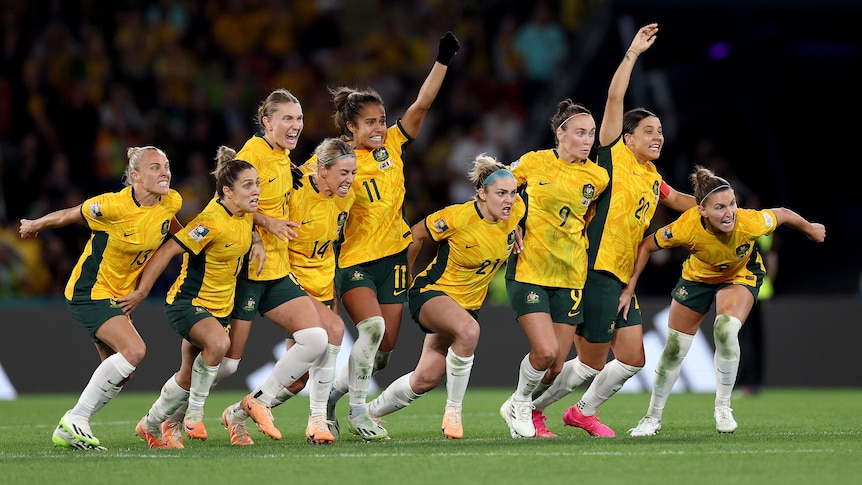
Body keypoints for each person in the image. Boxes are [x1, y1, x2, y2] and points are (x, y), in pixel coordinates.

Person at [527, 23, 697, 438]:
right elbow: (615, 96)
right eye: (649, 131)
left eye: (660, 131)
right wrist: (633, 54)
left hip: (623, 274)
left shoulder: (652, 176)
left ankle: (581, 412)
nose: (658, 136)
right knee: (590, 361)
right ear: (627, 137)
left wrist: (726, 209)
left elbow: (682, 203)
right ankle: (528, 407)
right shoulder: (610, 156)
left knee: (633, 358)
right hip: (594, 269)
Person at [323, 31, 461, 440]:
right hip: (355, 261)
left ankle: (334, 394)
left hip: (394, 261)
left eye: (382, 120)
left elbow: (422, 104)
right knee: (372, 331)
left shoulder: (393, 146)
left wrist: (442, 61)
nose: (381, 128)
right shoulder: (335, 159)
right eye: (371, 123)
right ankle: (358, 413)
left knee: (382, 353)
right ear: (350, 126)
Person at [625, 165, 825, 435]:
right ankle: (652, 417)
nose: (729, 212)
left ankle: (722, 407)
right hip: (698, 278)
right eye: (719, 208)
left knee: (726, 329)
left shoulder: (749, 221)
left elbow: (783, 214)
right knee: (674, 347)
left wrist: (809, 227)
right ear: (702, 211)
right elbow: (648, 244)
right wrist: (629, 288)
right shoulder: (686, 227)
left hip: (739, 275)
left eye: (731, 204)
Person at [18, 146, 182, 450]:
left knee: (123, 373)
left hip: (118, 296)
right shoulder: (112, 206)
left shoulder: (171, 200)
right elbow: (70, 214)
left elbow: (170, 225)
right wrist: (35, 224)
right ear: (135, 176)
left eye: (167, 166)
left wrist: (185, 244)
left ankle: (69, 430)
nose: (165, 173)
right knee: (134, 350)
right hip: (89, 290)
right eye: (155, 168)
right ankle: (76, 417)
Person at [367, 154, 525, 439]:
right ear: (481, 193)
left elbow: (518, 217)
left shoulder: (515, 211)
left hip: (467, 304)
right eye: (501, 193)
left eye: (512, 193)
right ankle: (453, 412)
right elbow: (415, 234)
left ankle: (368, 413)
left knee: (425, 378)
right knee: (469, 331)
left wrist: (518, 229)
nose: (509, 200)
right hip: (433, 292)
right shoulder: (457, 217)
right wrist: (406, 276)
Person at [119, 146, 263, 449]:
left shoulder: (244, 214)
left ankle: (151, 423)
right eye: (248, 185)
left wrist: (260, 239)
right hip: (187, 304)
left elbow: (249, 225)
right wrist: (143, 291)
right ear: (227, 192)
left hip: (220, 309)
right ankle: (194, 414)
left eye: (257, 184)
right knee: (220, 345)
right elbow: (170, 248)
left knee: (187, 375)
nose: (256, 192)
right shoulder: (209, 221)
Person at [219, 138, 358, 446]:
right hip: (288, 281)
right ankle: (317, 421)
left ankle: (238, 413)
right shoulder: (295, 191)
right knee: (333, 330)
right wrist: (256, 237)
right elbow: (251, 208)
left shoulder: (345, 197)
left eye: (353, 173)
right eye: (344, 173)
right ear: (322, 170)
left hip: (321, 287)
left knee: (296, 382)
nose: (350, 180)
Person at [215, 88, 330, 446]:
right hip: (249, 271)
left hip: (278, 270)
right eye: (287, 119)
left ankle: (250, 406)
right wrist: (266, 226)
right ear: (267, 121)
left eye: (299, 119)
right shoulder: (254, 154)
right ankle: (165, 415)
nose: (295, 125)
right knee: (229, 362)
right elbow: (225, 201)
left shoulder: (280, 157)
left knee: (316, 339)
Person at [498, 99, 609, 439]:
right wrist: (511, 220)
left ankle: (519, 405)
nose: (587, 140)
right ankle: (519, 404)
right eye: (580, 133)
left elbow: (588, 220)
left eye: (591, 133)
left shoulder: (598, 177)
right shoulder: (533, 162)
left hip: (571, 274)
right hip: (530, 268)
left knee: (556, 366)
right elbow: (497, 186)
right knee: (544, 351)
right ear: (560, 134)